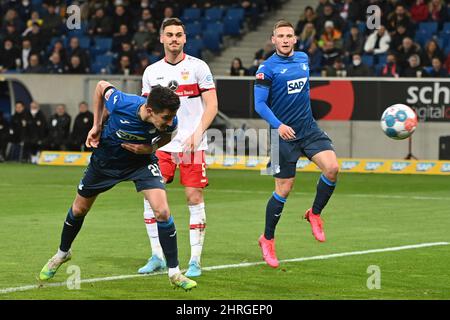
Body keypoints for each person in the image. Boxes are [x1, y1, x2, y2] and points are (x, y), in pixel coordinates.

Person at [38, 81, 197, 291]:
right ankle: (62, 253)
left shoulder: (170, 120)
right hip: (106, 161)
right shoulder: (121, 102)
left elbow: (169, 134)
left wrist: (151, 147)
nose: (169, 122)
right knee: (79, 209)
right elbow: (101, 86)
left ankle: (175, 272)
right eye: (165, 118)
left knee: (162, 211)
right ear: (150, 110)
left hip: (141, 163)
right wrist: (96, 125)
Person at [254, 20, 339, 268]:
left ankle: (314, 213)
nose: (285, 39)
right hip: (282, 135)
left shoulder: (303, 58)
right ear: (273, 40)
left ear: (295, 39)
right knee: (284, 189)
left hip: (308, 129)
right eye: (280, 36)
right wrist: (279, 125)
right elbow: (259, 104)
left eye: (289, 35)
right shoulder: (266, 68)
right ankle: (267, 239)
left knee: (332, 168)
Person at [139, 18, 218, 277]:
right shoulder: (151, 72)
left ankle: (195, 260)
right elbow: (146, 111)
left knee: (193, 197)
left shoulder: (198, 67)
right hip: (161, 145)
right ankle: (156, 256)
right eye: (169, 34)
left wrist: (197, 133)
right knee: (152, 200)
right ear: (161, 38)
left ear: (185, 39)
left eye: (179, 35)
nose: (174, 39)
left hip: (192, 144)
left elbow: (212, 106)